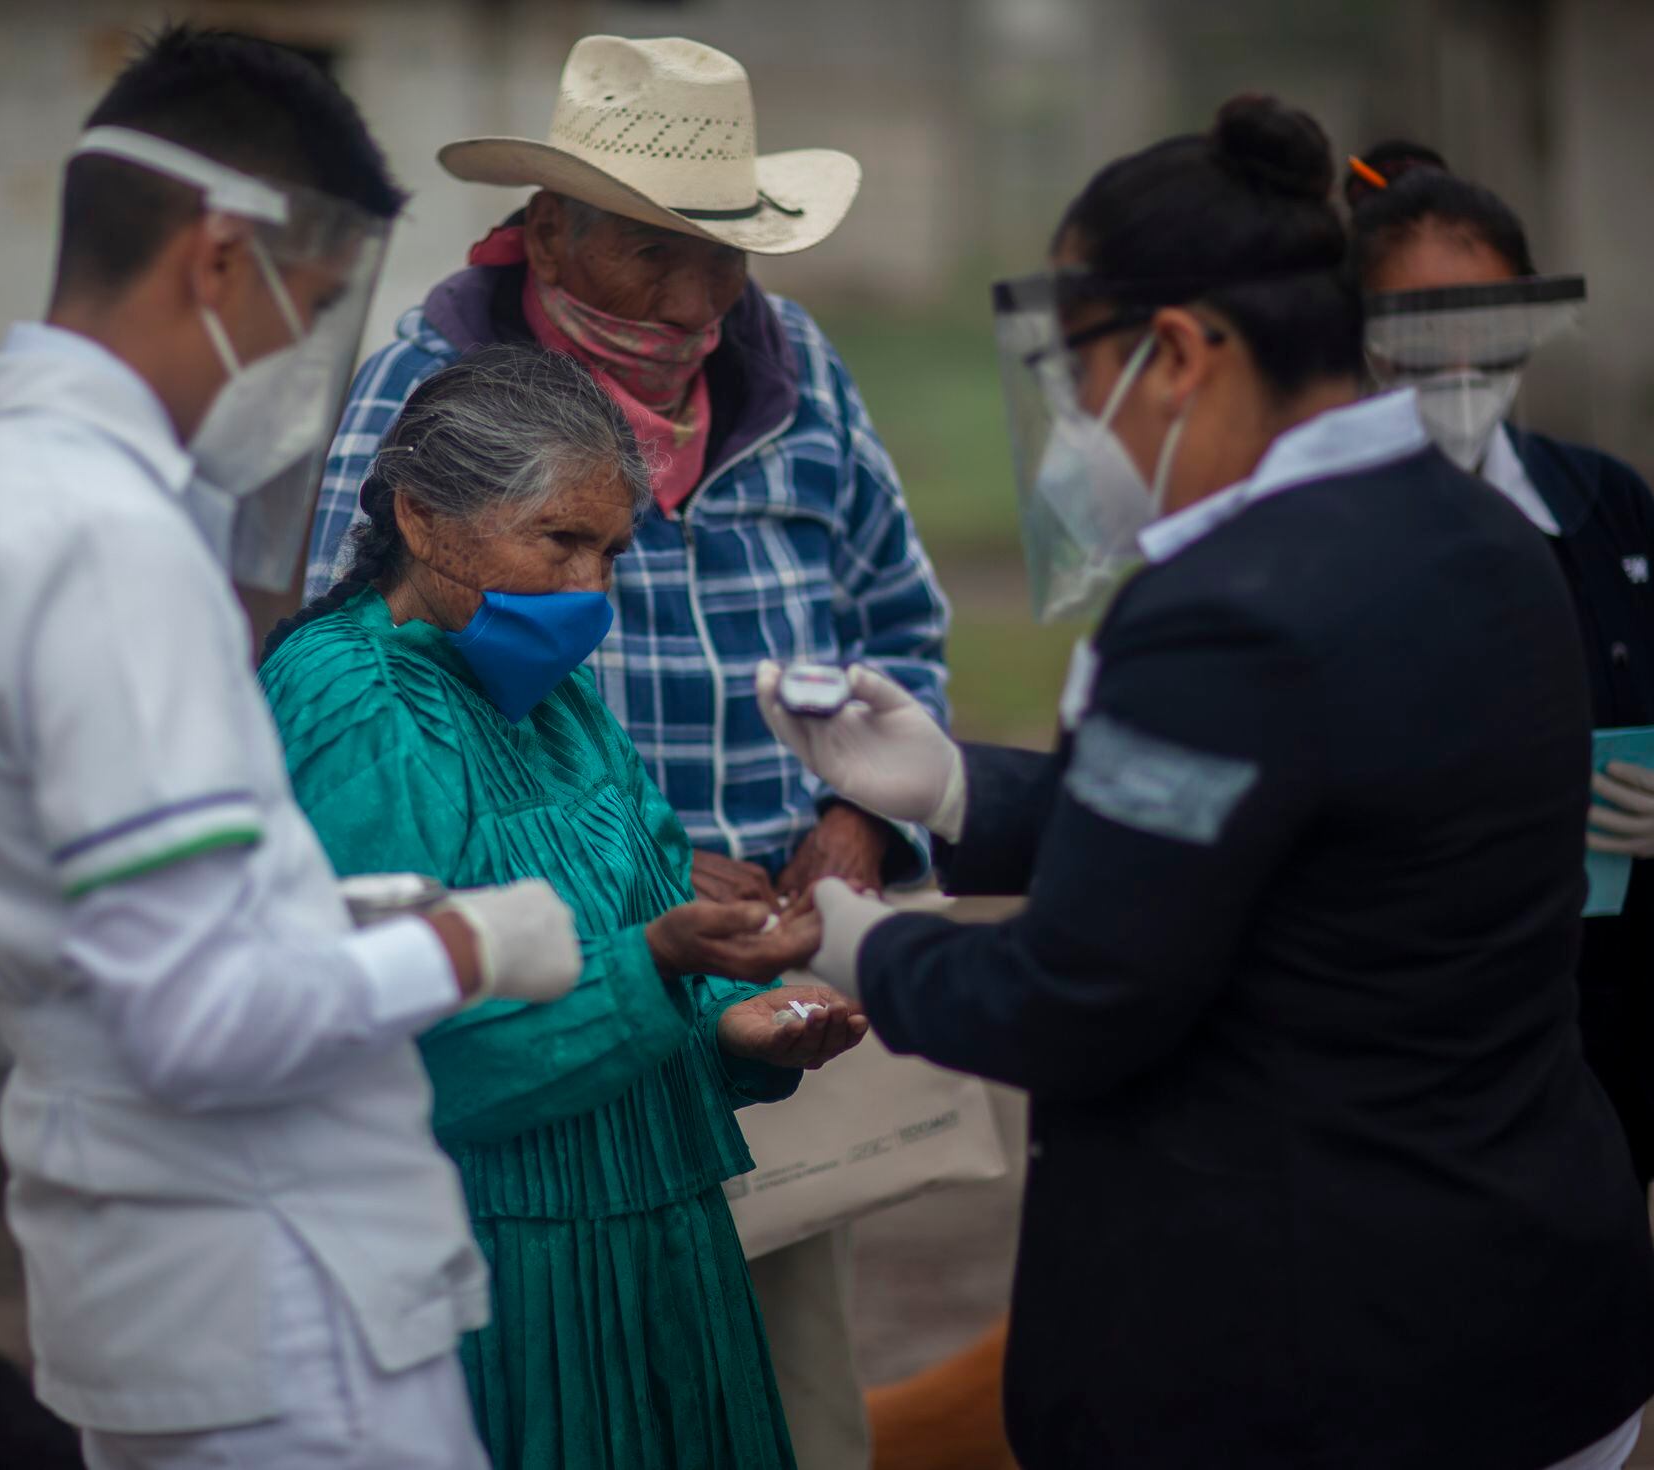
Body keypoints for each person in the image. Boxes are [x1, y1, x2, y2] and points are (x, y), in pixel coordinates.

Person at [761, 95, 1654, 1470]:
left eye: (1073, 380)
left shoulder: (1222, 605)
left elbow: (1079, 995)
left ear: (1177, 351)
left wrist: (865, 945)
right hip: (1528, 1313)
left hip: (1319, 1365)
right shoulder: (1486, 532)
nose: (1070, 434)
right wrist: (954, 790)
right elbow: (1278, 830)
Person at [0, 29, 587, 1470]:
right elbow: (197, 1017)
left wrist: (356, 913)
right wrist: (470, 944)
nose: (297, 361)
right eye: (307, 308)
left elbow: (29, 940)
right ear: (217, 257)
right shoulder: (107, 538)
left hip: (145, 1281)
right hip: (285, 1304)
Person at [303, 35, 952, 1464]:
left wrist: (849, 833)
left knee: (777, 1385)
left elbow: (903, 616)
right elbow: (406, 989)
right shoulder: (426, 427)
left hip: (715, 998)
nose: (696, 299)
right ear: (547, 229)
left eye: (724, 257)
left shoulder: (796, 374)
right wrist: (650, 933)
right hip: (522, 1157)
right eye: (657, 253)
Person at [258, 343, 869, 1470]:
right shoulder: (356, 702)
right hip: (506, 1270)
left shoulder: (552, 700)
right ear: (426, 520)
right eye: (559, 541)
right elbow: (408, 1046)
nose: (591, 591)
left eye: (612, 551)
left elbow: (644, 938)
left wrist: (727, 1032)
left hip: (656, 1240)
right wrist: (652, 969)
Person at [1347, 140, 1654, 1190]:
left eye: (1487, 320)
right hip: (1403, 1029)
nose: (1460, 362)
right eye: (1418, 326)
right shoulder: (1304, 530)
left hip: (1611, 1019)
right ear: (1358, 334)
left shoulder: (1607, 505)